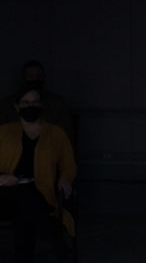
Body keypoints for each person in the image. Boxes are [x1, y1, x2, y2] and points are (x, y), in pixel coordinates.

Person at [0, 87, 77, 262]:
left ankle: (24, 257)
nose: (30, 106)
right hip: (5, 193)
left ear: (41, 105)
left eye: (34, 102)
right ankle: (52, 234)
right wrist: (1, 178)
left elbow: (68, 164)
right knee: (24, 197)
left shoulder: (56, 134)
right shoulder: (4, 132)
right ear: (17, 107)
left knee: (25, 208)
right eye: (25, 103)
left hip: (41, 193)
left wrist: (65, 179)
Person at [1, 60, 75, 144]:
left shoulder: (57, 104)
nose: (34, 79)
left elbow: (66, 136)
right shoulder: (8, 104)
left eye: (38, 76)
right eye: (30, 76)